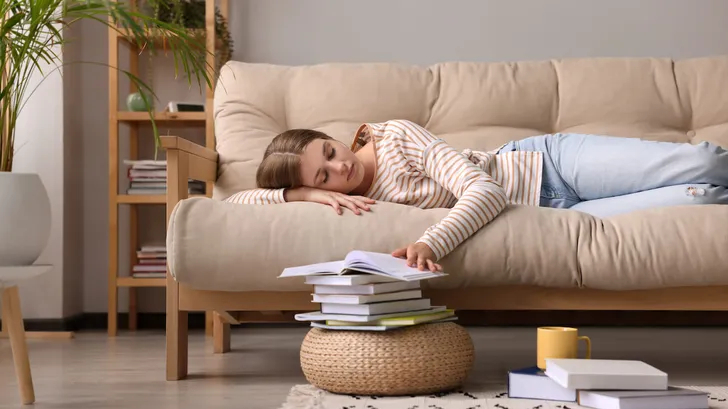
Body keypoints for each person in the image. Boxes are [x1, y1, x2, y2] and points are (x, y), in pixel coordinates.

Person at [224, 119, 728, 272]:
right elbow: (234, 205)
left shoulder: (396, 137)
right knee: (703, 197)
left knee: (707, 161)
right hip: (553, 216)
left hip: (546, 164)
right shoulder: (322, 193)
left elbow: (483, 188)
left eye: (330, 151)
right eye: (325, 176)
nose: (341, 166)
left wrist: (433, 242)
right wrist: (302, 197)